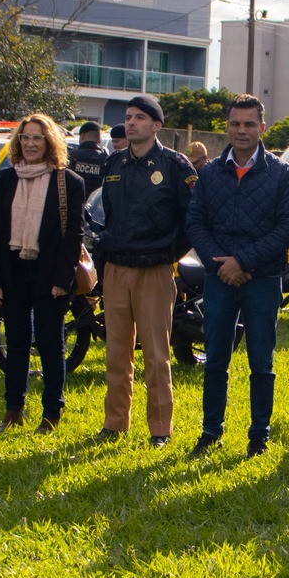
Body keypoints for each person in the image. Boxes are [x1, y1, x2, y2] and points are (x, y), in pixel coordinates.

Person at [185, 94, 289, 459]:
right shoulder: (208, 173)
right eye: (235, 123)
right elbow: (195, 223)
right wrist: (221, 265)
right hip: (219, 279)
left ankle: (258, 436)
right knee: (215, 358)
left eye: (250, 124)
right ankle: (210, 432)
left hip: (263, 280)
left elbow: (286, 229)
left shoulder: (282, 174)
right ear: (227, 127)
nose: (242, 130)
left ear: (262, 128)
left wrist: (244, 262)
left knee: (261, 363)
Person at [94, 94, 195, 446]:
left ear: (156, 125)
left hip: (154, 270)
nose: (131, 122)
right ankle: (115, 422)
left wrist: (169, 253)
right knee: (116, 352)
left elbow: (191, 220)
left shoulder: (175, 166)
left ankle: (160, 430)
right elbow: (106, 211)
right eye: (128, 116)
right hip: (117, 268)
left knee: (156, 355)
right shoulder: (114, 165)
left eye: (140, 117)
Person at [0, 113, 85, 434]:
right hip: (12, 272)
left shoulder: (69, 182)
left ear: (49, 142)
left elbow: (73, 236)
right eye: (25, 137)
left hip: (50, 275)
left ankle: (51, 414)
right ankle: (14, 411)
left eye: (37, 138)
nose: (30, 143)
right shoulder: (5, 180)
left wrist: (62, 279)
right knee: (16, 343)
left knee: (51, 344)